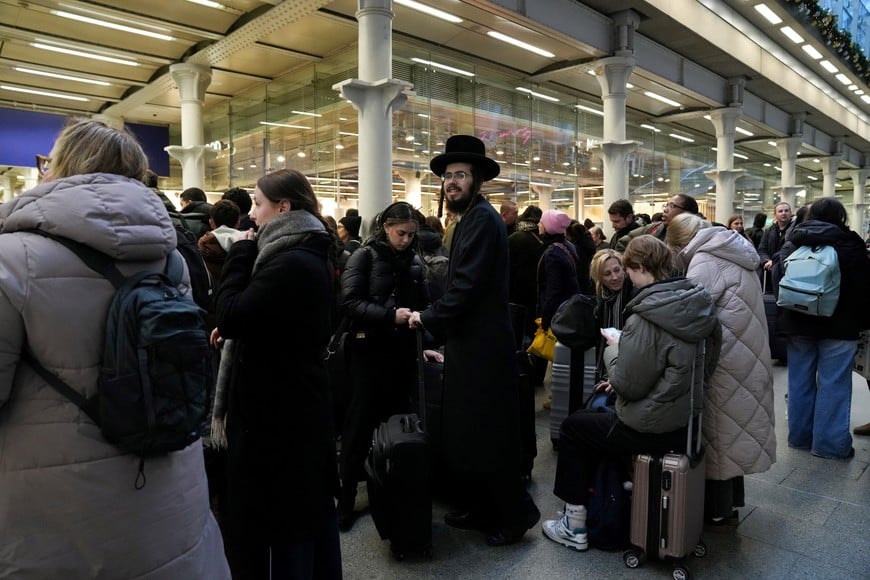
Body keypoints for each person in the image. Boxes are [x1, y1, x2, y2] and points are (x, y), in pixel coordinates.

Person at [0, 119, 229, 578]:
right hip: (170, 496)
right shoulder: (170, 259)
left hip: (58, 521)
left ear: (59, 165)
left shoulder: (13, 259)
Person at [541, 235, 720, 551]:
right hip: (686, 422)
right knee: (594, 422)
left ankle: (574, 525)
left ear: (639, 267)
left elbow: (627, 384)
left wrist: (616, 349)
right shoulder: (697, 302)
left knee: (574, 428)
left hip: (650, 426)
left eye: (627, 270)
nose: (625, 278)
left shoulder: (646, 314)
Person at [409, 135, 541, 547]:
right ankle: (483, 507)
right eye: (448, 176)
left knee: (489, 434)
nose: (451, 182)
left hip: (484, 347)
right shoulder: (469, 219)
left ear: (478, 180)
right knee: (470, 433)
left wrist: (427, 319)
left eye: (460, 175)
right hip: (471, 343)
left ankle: (516, 515)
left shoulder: (481, 220)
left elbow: (465, 286)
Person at [210, 168, 342, 579]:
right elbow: (265, 318)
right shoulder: (304, 250)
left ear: (283, 208)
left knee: (283, 521)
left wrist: (239, 256)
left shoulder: (288, 260)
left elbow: (230, 313)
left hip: (278, 416)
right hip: (294, 406)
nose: (252, 214)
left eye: (258, 203)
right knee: (300, 516)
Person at [667, 213, 776, 525]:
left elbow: (688, 313)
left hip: (724, 357)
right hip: (745, 351)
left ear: (679, 245)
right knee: (732, 430)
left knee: (718, 433)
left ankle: (717, 510)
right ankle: (730, 503)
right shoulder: (732, 248)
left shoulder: (704, 259)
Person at [336, 201, 437, 532]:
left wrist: (427, 344)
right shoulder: (364, 256)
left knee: (397, 427)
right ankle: (346, 499)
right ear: (385, 228)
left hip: (401, 356)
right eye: (400, 233)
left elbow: (424, 307)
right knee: (358, 428)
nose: (406, 240)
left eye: (411, 235)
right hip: (367, 355)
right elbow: (349, 303)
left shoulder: (414, 263)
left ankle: (389, 491)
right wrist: (389, 316)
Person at [777, 197, 870, 460]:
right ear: (841, 217)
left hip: (797, 323)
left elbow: (778, 280)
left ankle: (799, 438)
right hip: (839, 327)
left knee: (799, 383)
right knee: (834, 384)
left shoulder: (795, 240)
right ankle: (829, 445)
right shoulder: (850, 243)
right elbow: (863, 289)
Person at [537, 210, 581, 411]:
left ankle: (558, 397)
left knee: (558, 358)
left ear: (549, 227)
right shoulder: (567, 246)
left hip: (558, 312)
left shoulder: (553, 253)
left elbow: (552, 290)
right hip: (569, 309)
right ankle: (559, 395)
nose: (538, 225)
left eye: (541, 222)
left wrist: (546, 319)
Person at [589, 249, 633, 385]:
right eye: (607, 274)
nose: (615, 277)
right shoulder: (601, 296)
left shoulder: (633, 293)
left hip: (629, 364)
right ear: (600, 277)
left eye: (617, 270)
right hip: (605, 360)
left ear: (623, 269)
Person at [615, 193, 699, 252]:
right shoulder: (653, 229)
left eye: (672, 206)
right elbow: (622, 244)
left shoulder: (697, 237)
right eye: (666, 205)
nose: (665, 209)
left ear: (687, 213)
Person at [758, 201, 792, 295]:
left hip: (788, 272)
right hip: (769, 274)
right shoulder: (769, 231)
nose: (784, 213)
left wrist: (775, 261)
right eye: (780, 211)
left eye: (786, 211)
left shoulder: (795, 230)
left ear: (791, 213)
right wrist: (766, 260)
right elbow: (762, 249)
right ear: (775, 214)